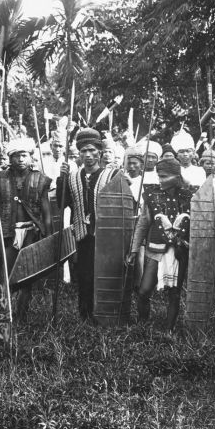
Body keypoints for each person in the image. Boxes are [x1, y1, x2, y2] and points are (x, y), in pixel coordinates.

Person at [57, 128, 120, 322]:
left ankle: (106, 313)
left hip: (106, 235)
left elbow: (121, 206)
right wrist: (62, 179)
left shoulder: (112, 175)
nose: (88, 155)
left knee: (104, 274)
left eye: (92, 150)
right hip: (82, 234)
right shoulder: (73, 176)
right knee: (84, 275)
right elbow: (62, 203)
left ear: (100, 152)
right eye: (83, 151)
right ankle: (85, 314)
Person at [127, 159, 193, 331]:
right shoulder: (152, 195)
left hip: (178, 251)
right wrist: (134, 250)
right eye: (159, 176)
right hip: (155, 249)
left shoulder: (189, 196)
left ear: (176, 176)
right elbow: (142, 224)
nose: (160, 180)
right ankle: (142, 323)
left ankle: (169, 330)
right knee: (144, 291)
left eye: (164, 176)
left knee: (174, 293)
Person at [0, 137, 52, 322]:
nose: (20, 159)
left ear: (31, 157)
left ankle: (22, 314)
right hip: (8, 232)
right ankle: (5, 313)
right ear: (10, 157)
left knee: (27, 274)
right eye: (16, 155)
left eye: (24, 155)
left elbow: (46, 210)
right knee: (6, 273)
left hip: (31, 233)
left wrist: (48, 235)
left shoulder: (40, 179)